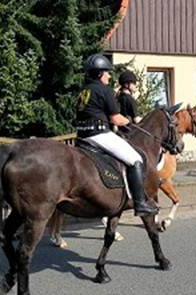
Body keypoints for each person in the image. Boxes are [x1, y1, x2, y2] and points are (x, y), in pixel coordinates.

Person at [75, 53, 158, 216]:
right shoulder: (104, 90)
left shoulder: (84, 91)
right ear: (99, 73)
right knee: (135, 159)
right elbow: (115, 118)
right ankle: (140, 202)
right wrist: (131, 124)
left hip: (82, 135)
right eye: (107, 72)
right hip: (99, 134)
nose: (109, 75)